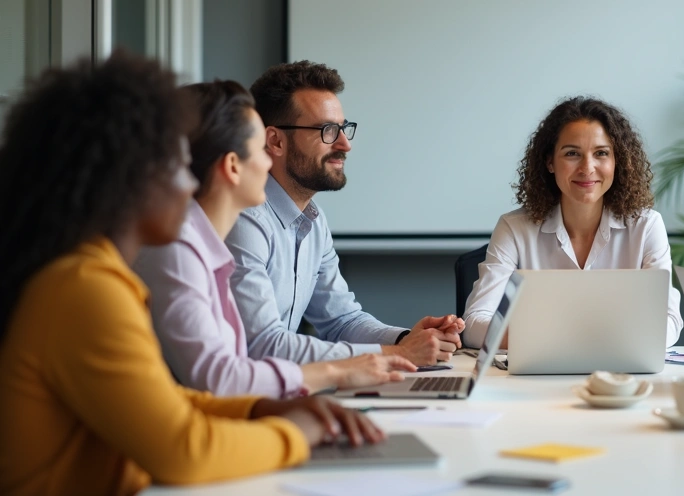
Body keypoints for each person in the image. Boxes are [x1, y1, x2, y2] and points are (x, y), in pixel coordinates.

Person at [0, 54, 385, 496]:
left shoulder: (90, 275)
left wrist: (260, 411)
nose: (191, 186)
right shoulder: (85, 288)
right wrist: (298, 434)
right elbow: (185, 450)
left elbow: (166, 401)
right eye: (181, 166)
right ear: (127, 178)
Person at [136, 80, 416, 397]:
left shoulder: (207, 244)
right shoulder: (181, 248)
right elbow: (223, 377)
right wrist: (352, 367)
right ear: (234, 165)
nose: (268, 163)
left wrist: (402, 343)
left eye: (343, 129)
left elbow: (230, 375)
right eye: (259, 149)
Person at [226, 61, 463, 365]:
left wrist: (405, 339)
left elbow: (341, 320)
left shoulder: (313, 221)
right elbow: (263, 346)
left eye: (343, 128)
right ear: (275, 141)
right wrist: (398, 353)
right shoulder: (245, 219)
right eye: (327, 130)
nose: (345, 144)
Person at [462, 96, 683, 348]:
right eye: (572, 154)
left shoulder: (646, 226)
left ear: (617, 161)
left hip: (619, 368)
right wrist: (556, 340)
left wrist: (578, 340)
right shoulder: (514, 228)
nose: (587, 168)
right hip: (539, 369)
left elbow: (669, 321)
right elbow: (473, 325)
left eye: (601, 153)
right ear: (550, 162)